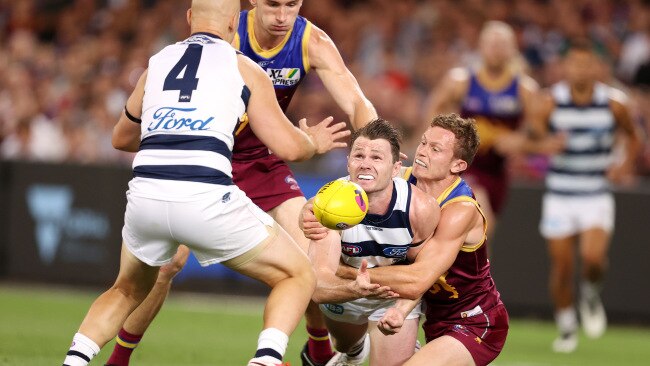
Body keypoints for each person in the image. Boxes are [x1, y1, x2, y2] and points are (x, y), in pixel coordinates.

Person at [61, 1, 350, 366]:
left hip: (145, 194)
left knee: (125, 289)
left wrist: (170, 129)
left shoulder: (158, 62)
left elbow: (121, 138)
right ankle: (267, 359)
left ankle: (75, 359)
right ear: (234, 22)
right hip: (205, 193)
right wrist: (315, 143)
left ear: (189, 19)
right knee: (298, 273)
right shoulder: (244, 67)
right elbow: (289, 147)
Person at [308, 114, 509, 366]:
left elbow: (417, 279)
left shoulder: (460, 210)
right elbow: (344, 190)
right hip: (433, 314)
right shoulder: (400, 178)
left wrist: (343, 272)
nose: (422, 152)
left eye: (435, 149)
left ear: (457, 166)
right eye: (424, 142)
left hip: (473, 318)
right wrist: (309, 211)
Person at [530, 40, 641, 353]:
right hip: (560, 193)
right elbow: (534, 132)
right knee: (563, 266)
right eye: (574, 63)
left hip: (595, 192)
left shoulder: (615, 103)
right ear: (566, 67)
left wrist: (624, 163)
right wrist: (546, 142)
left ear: (598, 67)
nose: (580, 69)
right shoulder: (551, 101)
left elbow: (634, 137)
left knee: (592, 260)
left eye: (586, 63)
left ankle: (591, 294)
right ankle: (567, 326)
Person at [302, 119, 440, 366]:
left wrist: (401, 311)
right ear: (348, 162)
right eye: (358, 155)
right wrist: (355, 288)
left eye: (376, 157)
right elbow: (319, 286)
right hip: (344, 290)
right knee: (344, 345)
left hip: (391, 296)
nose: (365, 164)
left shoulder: (419, 209)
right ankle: (353, 350)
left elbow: (422, 276)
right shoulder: (328, 204)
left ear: (396, 167)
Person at [425, 21, 539, 241]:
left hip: (498, 171)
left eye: (502, 44)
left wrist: (520, 139)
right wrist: (444, 139)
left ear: (513, 49)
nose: (496, 49)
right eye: (491, 43)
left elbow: (537, 130)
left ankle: (474, 274)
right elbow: (434, 109)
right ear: (481, 47)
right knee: (482, 225)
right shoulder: (462, 81)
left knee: (481, 234)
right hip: (467, 167)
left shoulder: (525, 88)